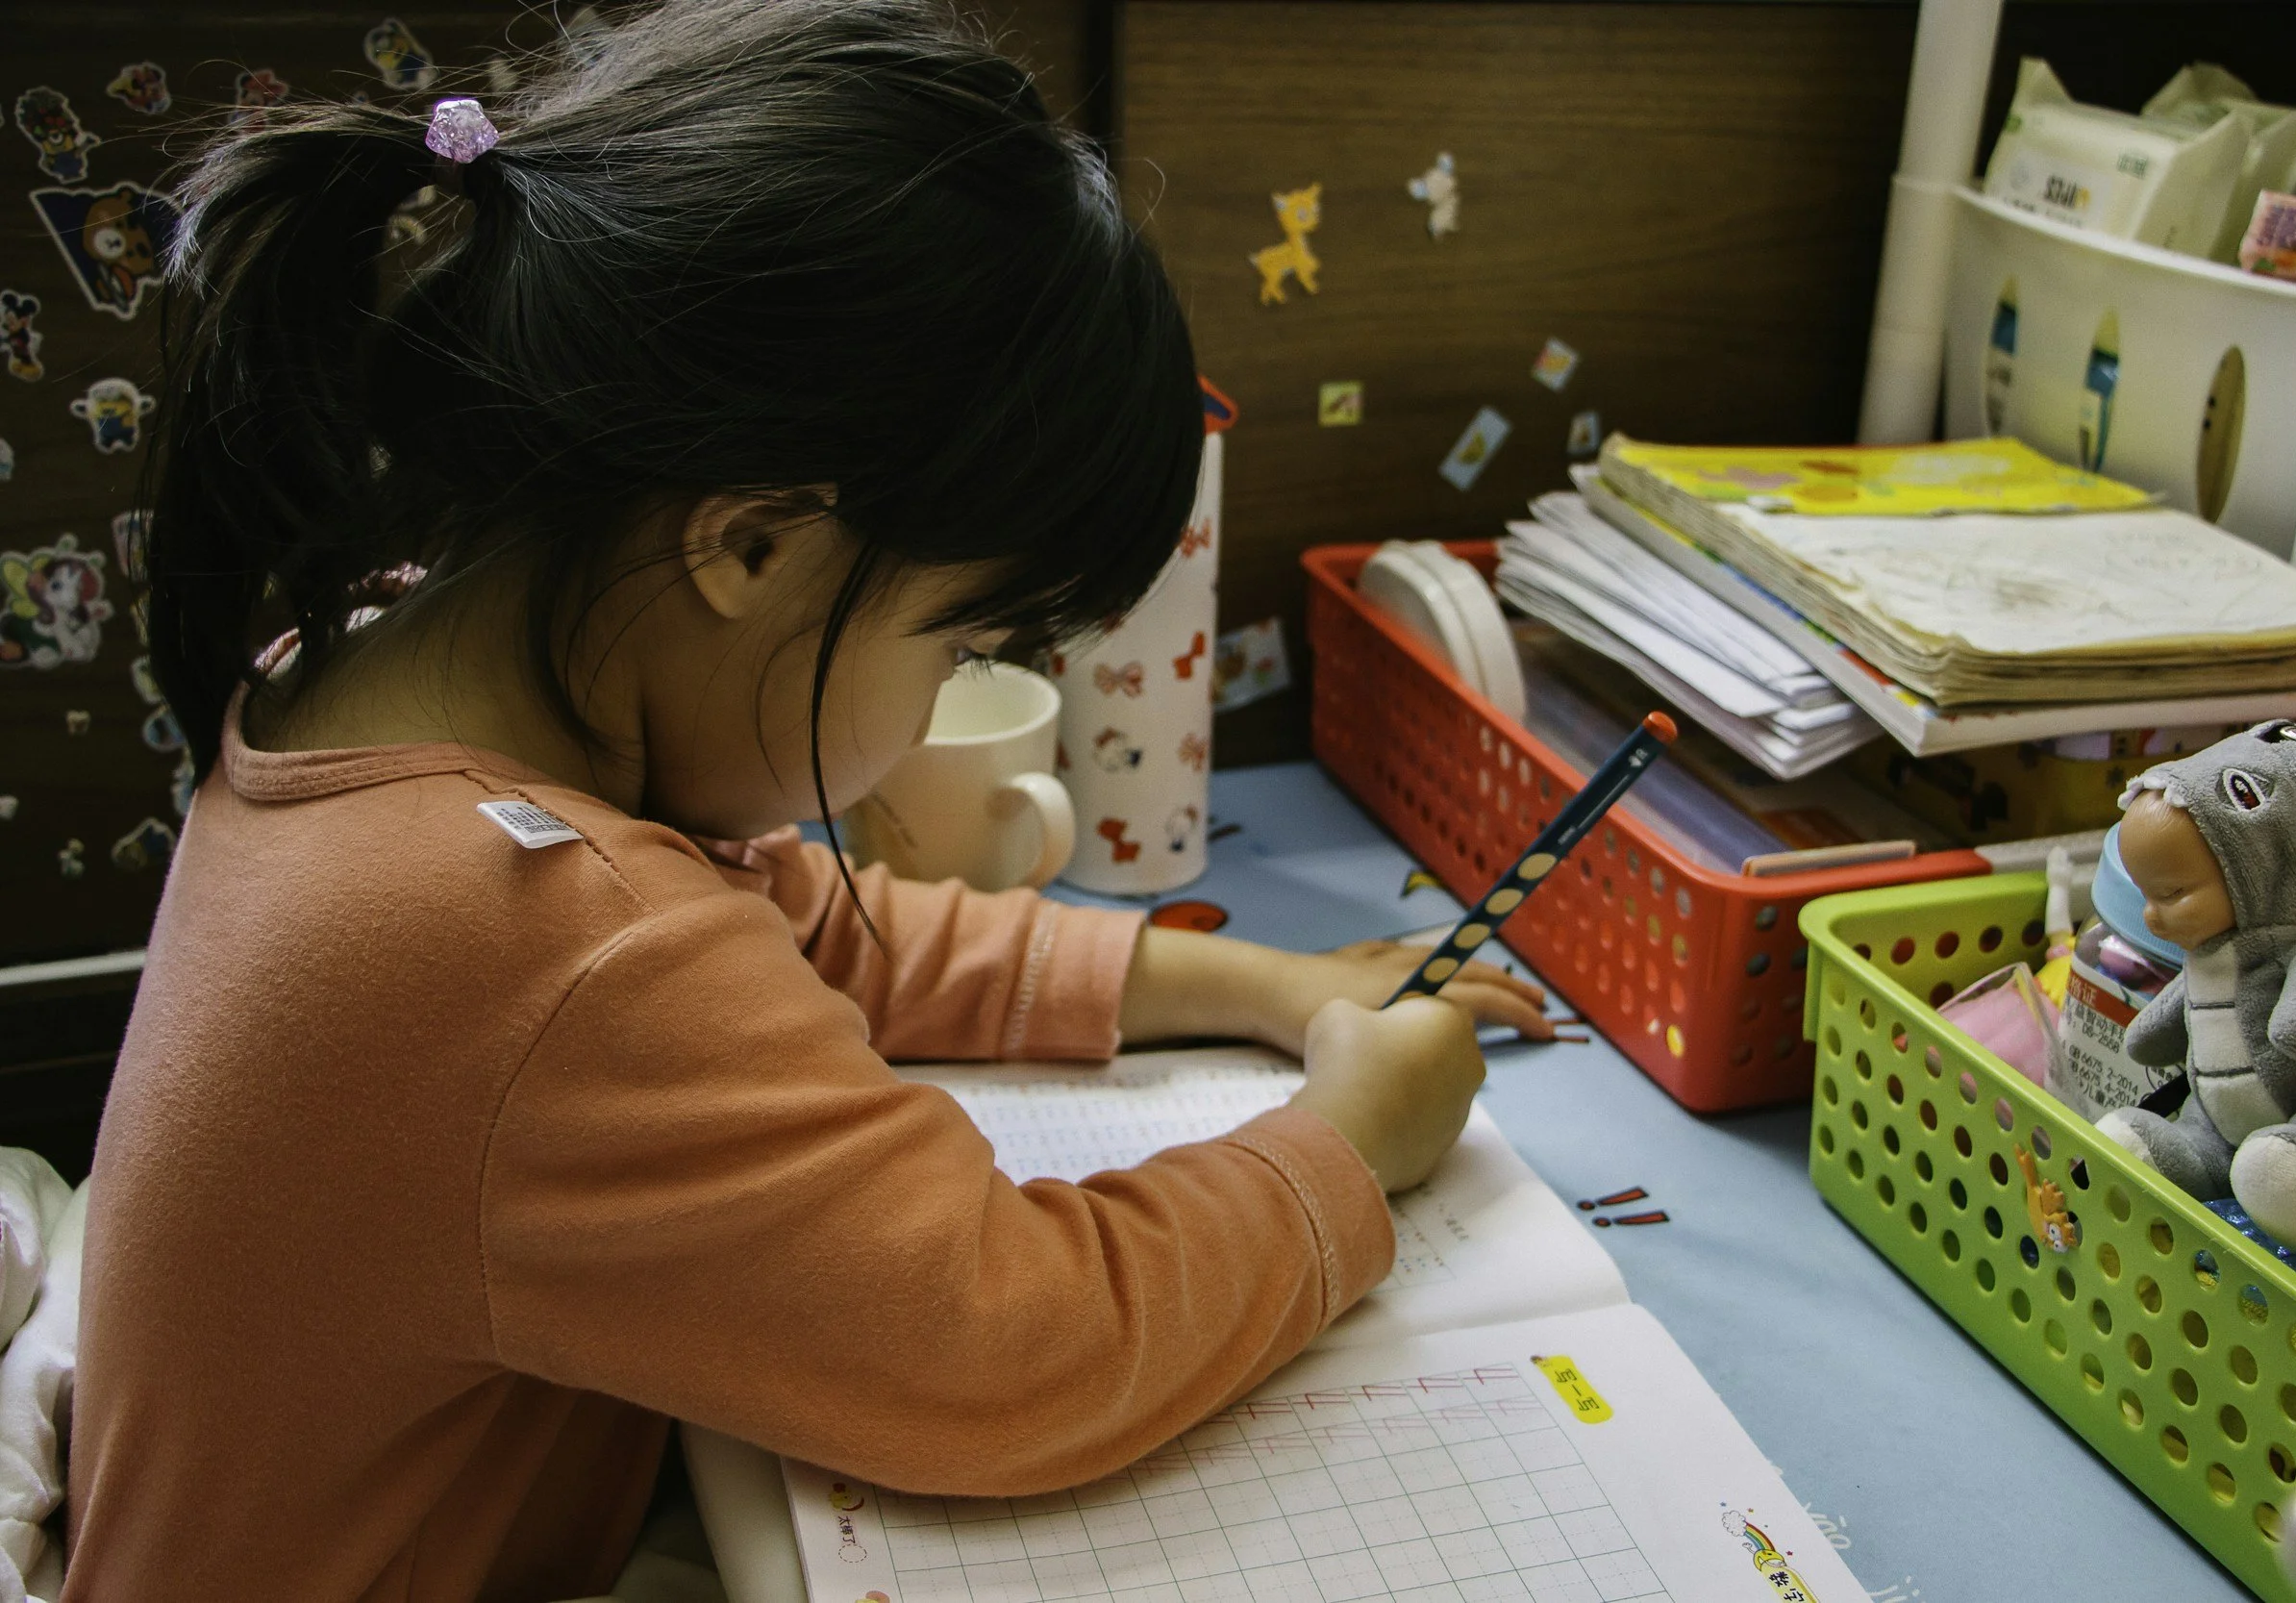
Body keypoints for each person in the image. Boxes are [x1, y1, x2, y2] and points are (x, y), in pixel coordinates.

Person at [67, 4, 1548, 1598]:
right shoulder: (539, 938)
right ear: (753, 546)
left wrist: (1251, 984)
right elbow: (1011, 1342)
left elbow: (779, 930)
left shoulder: (381, 657)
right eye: (962, 639)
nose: (943, 705)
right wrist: (1346, 1147)